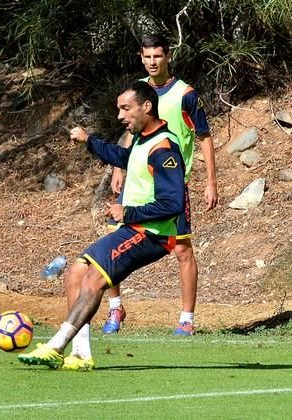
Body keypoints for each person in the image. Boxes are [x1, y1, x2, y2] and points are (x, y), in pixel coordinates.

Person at [18, 80, 185, 370]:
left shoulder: (165, 148)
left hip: (152, 234)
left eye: (126, 108)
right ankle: (81, 353)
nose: (120, 116)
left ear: (146, 106)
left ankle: (56, 345)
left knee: (93, 280)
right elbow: (124, 157)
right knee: (75, 274)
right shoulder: (143, 140)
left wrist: (128, 213)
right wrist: (89, 141)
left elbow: (173, 203)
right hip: (134, 229)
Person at [102, 34, 218, 336]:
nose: (152, 62)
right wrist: (119, 167)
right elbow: (131, 129)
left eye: (157, 56)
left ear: (168, 56)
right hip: (137, 182)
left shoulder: (186, 95)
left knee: (182, 250)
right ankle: (115, 308)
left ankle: (186, 318)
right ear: (141, 58)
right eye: (147, 56)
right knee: (112, 240)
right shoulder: (136, 91)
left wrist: (211, 182)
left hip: (170, 185)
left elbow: (204, 137)